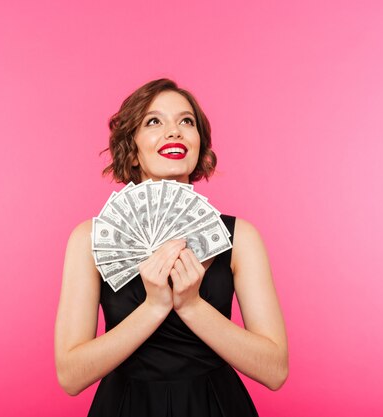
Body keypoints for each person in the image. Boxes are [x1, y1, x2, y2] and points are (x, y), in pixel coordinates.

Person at [54, 79, 288, 416]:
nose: (174, 131)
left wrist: (192, 306)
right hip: (126, 406)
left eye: (186, 121)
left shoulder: (241, 238)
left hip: (215, 404)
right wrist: (154, 307)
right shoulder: (87, 239)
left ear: (199, 146)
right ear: (132, 151)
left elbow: (275, 370)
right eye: (154, 121)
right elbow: (71, 376)